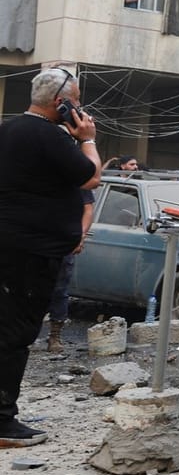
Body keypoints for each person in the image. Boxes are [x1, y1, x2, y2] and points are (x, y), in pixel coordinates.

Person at [0, 68, 100, 447]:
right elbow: (90, 177)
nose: (78, 108)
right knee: (17, 333)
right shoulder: (46, 135)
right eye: (75, 100)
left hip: (12, 243)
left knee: (5, 326)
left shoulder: (9, 129)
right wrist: (87, 139)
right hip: (30, 252)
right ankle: (2, 420)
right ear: (61, 102)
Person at [42, 190, 95, 354]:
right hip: (36, 240)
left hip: (64, 242)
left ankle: (55, 336)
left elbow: (88, 209)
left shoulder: (76, 179)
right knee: (29, 288)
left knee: (60, 290)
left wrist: (81, 236)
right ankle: (23, 336)